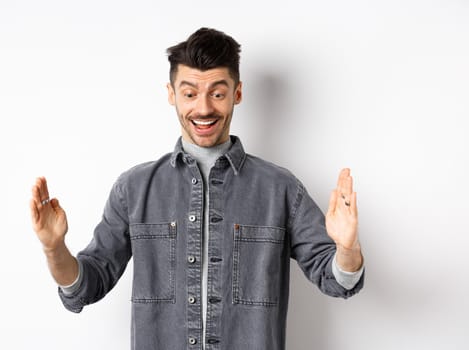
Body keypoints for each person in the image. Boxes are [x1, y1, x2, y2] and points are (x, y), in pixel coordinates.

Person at [30, 27, 364, 350]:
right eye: (190, 93)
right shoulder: (133, 189)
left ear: (237, 93)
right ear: (171, 94)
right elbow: (86, 286)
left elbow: (337, 280)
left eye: (217, 93)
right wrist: (54, 248)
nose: (203, 108)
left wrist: (347, 249)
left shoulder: (281, 189)